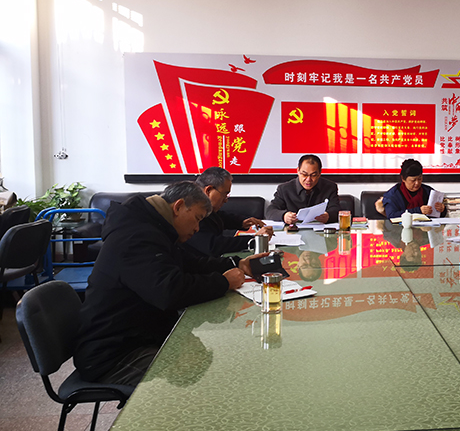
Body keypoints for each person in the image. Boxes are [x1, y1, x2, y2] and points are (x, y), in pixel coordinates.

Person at [74, 181, 267, 387]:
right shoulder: (135, 237)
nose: (197, 228)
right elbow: (169, 291)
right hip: (113, 356)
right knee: (207, 382)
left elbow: (190, 263)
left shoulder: (153, 228)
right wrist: (223, 282)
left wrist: (236, 263)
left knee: (220, 361)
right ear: (179, 206)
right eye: (197, 219)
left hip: (141, 336)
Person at [184, 166, 272, 256]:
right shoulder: (190, 210)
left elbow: (221, 217)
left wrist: (242, 222)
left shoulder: (205, 208)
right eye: (224, 194)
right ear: (208, 190)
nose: (226, 200)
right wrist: (254, 240)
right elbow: (213, 245)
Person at [265, 154, 340, 225]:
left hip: (321, 231)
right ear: (298, 171)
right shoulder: (284, 189)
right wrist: (284, 216)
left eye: (313, 175)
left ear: (319, 173)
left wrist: (328, 216)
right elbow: (270, 211)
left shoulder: (330, 187)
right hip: (292, 231)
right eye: (304, 174)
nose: (308, 179)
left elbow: (337, 210)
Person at [381, 159, 446, 219]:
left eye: (419, 179)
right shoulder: (392, 195)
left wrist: (442, 210)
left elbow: (437, 216)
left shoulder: (428, 191)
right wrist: (418, 211)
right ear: (403, 179)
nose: (417, 183)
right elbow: (391, 215)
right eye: (413, 180)